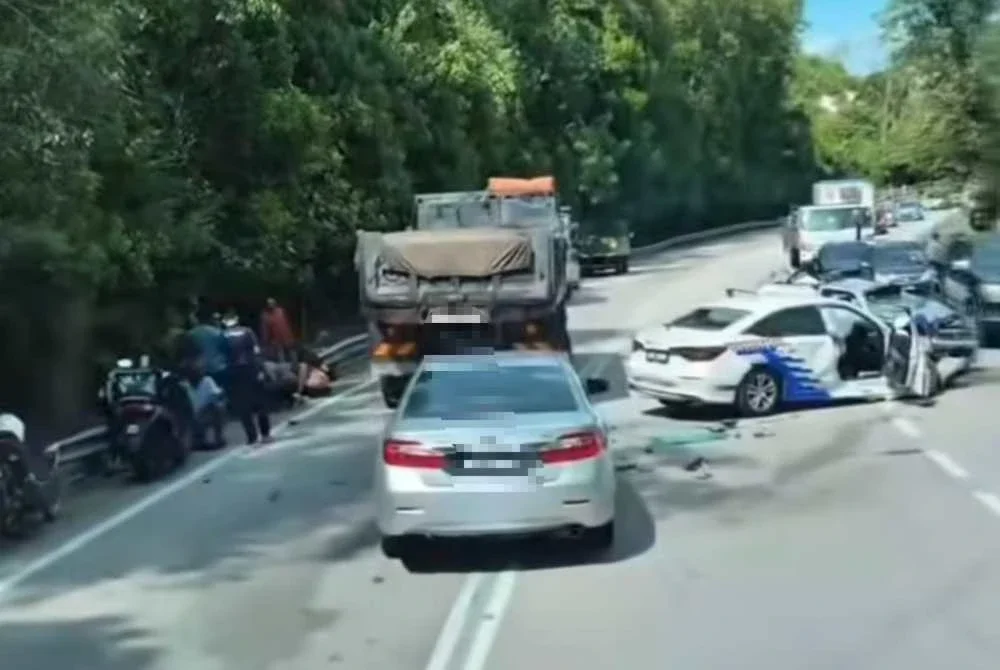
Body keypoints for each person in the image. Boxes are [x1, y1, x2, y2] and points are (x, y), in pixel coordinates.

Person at [221, 309, 273, 445]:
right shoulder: (247, 332)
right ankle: (265, 434)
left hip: (235, 374)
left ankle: (251, 437)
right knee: (261, 402)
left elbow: (222, 357)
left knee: (243, 406)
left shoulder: (222, 336)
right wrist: (261, 369)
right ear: (237, 320)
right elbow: (256, 352)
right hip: (251, 369)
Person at [0, 413, 56, 520]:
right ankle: (47, 511)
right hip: (15, 452)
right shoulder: (15, 439)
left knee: (24, 478)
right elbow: (24, 462)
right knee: (29, 479)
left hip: (12, 458)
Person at [187, 312, 229, 389]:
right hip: (218, 368)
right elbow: (226, 349)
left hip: (201, 370)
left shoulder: (191, 334)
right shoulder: (217, 332)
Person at [259, 298, 295, 363]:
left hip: (286, 335)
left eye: (272, 303)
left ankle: (295, 365)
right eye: (269, 303)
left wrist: (291, 334)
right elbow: (265, 329)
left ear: (275, 303)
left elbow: (288, 322)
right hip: (276, 338)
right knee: (280, 354)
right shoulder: (265, 315)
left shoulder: (281, 311)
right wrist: (265, 341)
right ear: (267, 305)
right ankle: (283, 367)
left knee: (291, 351)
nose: (271, 305)